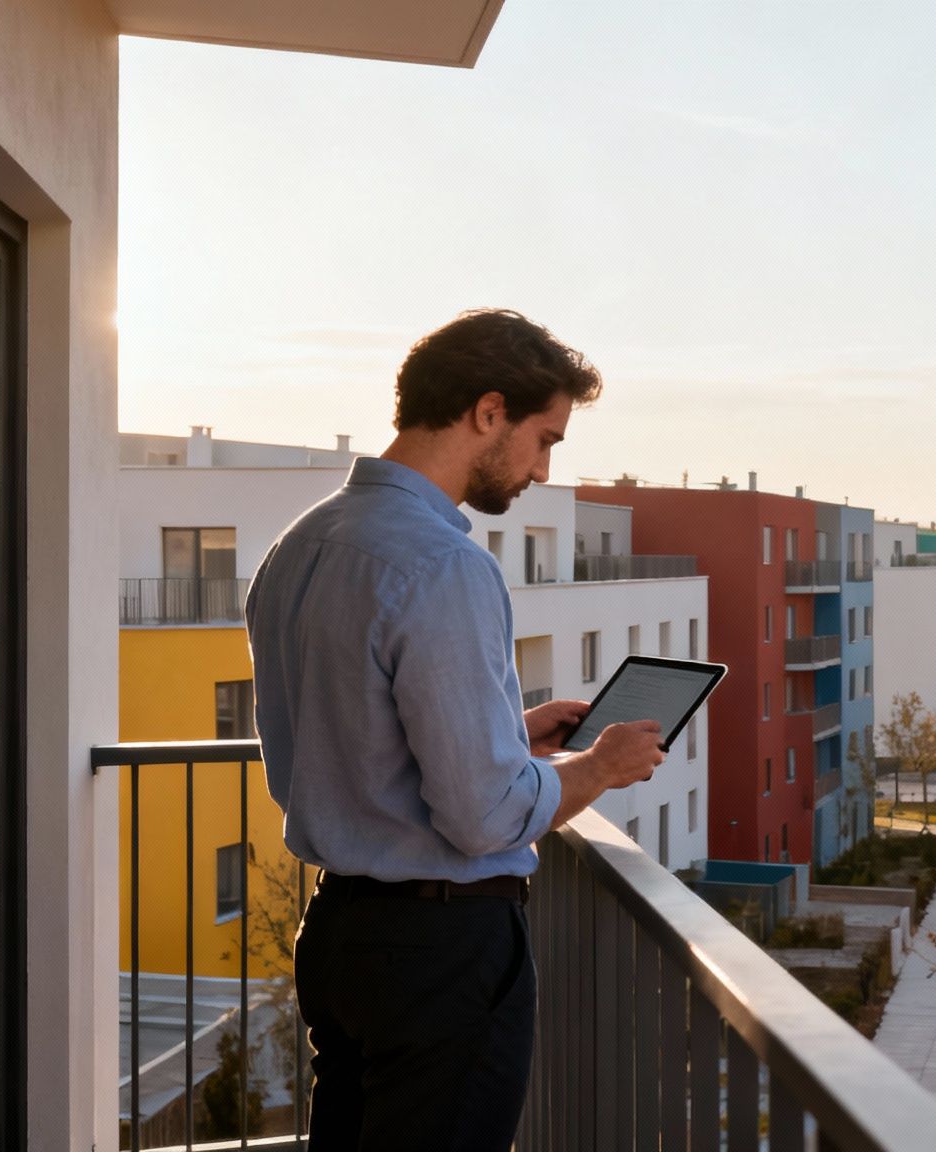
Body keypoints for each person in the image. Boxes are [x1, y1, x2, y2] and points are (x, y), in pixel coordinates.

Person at [246, 309, 665, 1151]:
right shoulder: (443, 563)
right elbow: (482, 818)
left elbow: (351, 735)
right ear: (487, 410)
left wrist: (508, 734)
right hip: (440, 949)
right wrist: (600, 766)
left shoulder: (301, 542)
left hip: (340, 936)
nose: (544, 469)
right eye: (543, 438)